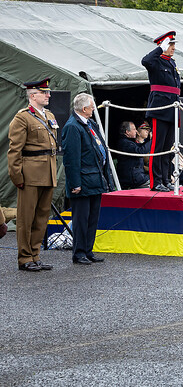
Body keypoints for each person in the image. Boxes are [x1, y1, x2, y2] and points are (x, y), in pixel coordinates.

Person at [8, 79, 59, 272]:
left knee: (41, 217)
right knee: (26, 218)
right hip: (30, 174)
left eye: (48, 92)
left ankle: (35, 254)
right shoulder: (22, 118)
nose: (48, 95)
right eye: (44, 92)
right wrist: (17, 177)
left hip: (48, 172)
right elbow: (15, 151)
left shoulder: (49, 115)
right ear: (32, 95)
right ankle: (24, 257)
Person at [61, 93, 115, 265]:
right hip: (83, 181)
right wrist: (75, 183)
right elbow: (71, 158)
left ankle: (88, 250)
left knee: (92, 218)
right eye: (91, 107)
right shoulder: (72, 127)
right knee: (81, 219)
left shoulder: (90, 124)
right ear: (84, 109)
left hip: (95, 178)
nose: (93, 110)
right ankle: (79, 252)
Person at [141, 31, 181, 192]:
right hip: (160, 109)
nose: (173, 48)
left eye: (173, 45)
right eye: (170, 45)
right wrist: (159, 49)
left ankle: (165, 179)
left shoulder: (171, 63)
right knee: (157, 148)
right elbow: (145, 61)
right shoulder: (156, 61)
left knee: (167, 148)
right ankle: (155, 181)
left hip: (172, 109)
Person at [114, 121, 151, 189]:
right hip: (133, 179)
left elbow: (139, 146)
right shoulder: (124, 143)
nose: (136, 131)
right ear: (127, 132)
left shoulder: (128, 142)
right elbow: (140, 151)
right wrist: (152, 141)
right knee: (156, 183)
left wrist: (149, 141)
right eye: (134, 129)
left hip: (136, 176)